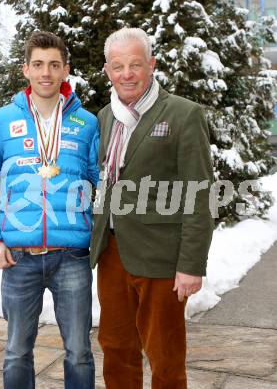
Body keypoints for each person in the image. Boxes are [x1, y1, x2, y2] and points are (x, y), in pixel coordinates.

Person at [0, 31, 99, 389]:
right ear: (25, 69)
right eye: (38, 64)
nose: (46, 72)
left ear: (65, 69)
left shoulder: (86, 124)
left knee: (79, 352)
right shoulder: (0, 121)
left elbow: (99, 183)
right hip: (18, 258)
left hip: (71, 256)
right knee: (15, 352)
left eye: (54, 65)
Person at [90, 28, 214, 389]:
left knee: (165, 355)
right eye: (117, 66)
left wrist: (191, 265)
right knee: (115, 348)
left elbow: (199, 193)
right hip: (112, 253)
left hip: (161, 258)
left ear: (151, 65)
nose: (126, 74)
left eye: (134, 64)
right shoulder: (105, 117)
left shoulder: (183, 114)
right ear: (107, 71)